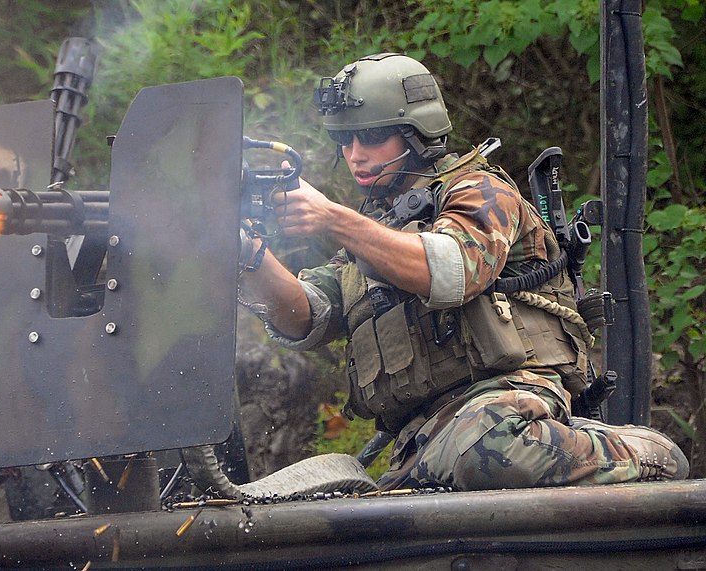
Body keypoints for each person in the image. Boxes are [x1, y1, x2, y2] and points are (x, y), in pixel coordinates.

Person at [237, 53, 688, 491]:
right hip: (422, 439)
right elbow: (303, 315)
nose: (355, 154)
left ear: (416, 133)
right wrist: (248, 251)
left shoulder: (479, 191)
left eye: (371, 137)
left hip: (506, 402)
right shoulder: (369, 234)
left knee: (491, 450)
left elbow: (451, 270)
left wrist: (334, 219)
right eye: (345, 140)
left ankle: (642, 451)